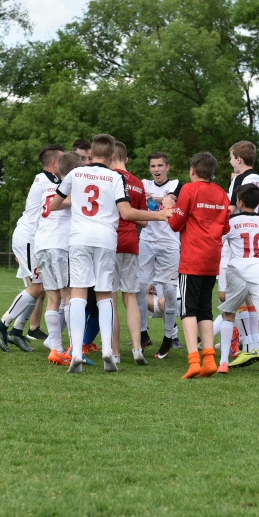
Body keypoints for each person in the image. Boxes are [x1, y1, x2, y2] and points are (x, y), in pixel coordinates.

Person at [50, 134, 172, 373]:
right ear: (112, 155)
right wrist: (159, 215)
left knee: (78, 293)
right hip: (106, 239)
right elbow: (127, 213)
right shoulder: (116, 177)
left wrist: (77, 201)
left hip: (80, 238)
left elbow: (54, 205)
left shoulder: (76, 173)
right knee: (105, 294)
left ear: (91, 154)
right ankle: (108, 350)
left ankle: (76, 351)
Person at [0, 144, 64, 353]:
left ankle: (16, 331)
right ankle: (2, 325)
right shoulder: (45, 180)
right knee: (38, 288)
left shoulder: (50, 180)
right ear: (54, 163)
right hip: (30, 238)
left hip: (34, 239)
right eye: (63, 159)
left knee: (40, 289)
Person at [167, 152, 231, 379]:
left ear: (193, 170)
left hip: (192, 258)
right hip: (212, 258)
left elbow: (176, 223)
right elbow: (225, 227)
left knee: (188, 310)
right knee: (205, 309)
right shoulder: (222, 193)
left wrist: (170, 206)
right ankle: (210, 358)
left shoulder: (189, 189)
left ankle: (194, 360)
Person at [216, 184, 259, 380]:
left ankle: (223, 363)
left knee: (229, 315)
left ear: (240, 202)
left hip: (237, 272)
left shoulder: (231, 221)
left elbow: (221, 245)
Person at [34, 151, 84, 365]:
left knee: (53, 298)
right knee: (69, 296)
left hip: (42, 244)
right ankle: (73, 348)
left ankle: (56, 349)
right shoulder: (72, 187)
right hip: (60, 245)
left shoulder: (47, 187)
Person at [225, 140, 259, 362]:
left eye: (231, 158)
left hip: (240, 241)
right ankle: (252, 344)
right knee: (252, 297)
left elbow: (230, 210)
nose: (230, 162)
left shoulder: (240, 180)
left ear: (239, 159)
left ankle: (250, 344)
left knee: (236, 298)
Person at [139, 151, 182, 358]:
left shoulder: (176, 184)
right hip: (147, 242)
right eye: (153, 166)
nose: (156, 169)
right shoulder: (143, 184)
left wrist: (151, 198)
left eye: (160, 165)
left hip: (169, 243)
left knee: (169, 292)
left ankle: (168, 337)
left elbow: (169, 200)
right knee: (139, 288)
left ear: (168, 167)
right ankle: (143, 333)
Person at [110, 141, 149, 366]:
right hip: (132, 242)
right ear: (127, 159)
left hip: (111, 242)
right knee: (131, 296)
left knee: (111, 299)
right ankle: (136, 348)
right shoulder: (137, 183)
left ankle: (115, 351)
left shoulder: (108, 178)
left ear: (110, 156)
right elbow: (143, 220)